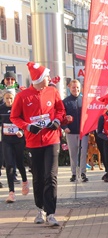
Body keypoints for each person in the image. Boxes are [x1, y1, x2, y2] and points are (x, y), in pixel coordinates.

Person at [10, 62, 65, 226]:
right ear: (39, 79)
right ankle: (39, 209)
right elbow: (14, 117)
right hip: (33, 142)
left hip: (52, 140)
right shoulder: (22, 96)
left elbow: (61, 110)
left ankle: (51, 213)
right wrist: (27, 126)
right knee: (39, 177)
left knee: (51, 176)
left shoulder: (53, 91)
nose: (49, 78)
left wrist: (57, 120)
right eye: (47, 76)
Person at [1, 91, 28, 202]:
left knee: (19, 163)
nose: (9, 101)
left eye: (11, 98)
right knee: (9, 165)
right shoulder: (1, 109)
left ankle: (25, 181)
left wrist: (21, 131)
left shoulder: (19, 108)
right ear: (3, 99)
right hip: (6, 141)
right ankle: (11, 192)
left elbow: (25, 121)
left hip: (18, 140)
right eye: (7, 98)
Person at [61, 79, 89, 183]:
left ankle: (83, 173)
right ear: (70, 88)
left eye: (77, 87)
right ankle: (73, 173)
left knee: (83, 153)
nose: (75, 89)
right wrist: (64, 127)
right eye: (73, 87)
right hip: (71, 131)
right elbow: (61, 116)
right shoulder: (65, 101)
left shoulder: (84, 100)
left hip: (83, 132)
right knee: (73, 153)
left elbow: (88, 116)